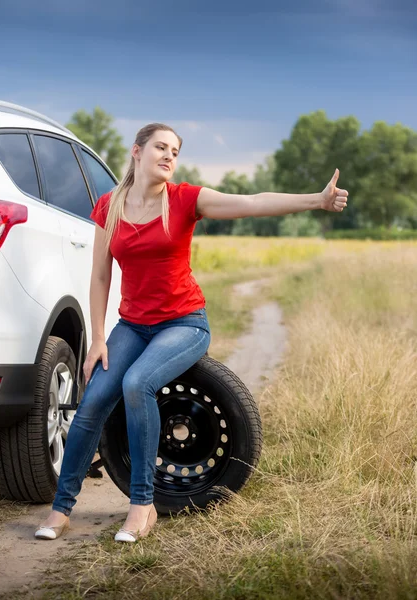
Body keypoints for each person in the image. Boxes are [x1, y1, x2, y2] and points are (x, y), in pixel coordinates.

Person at [34, 122, 348, 543]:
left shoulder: (185, 200)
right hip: (133, 326)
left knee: (137, 383)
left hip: (184, 323)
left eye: (175, 151)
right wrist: (97, 339)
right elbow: (100, 278)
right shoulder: (110, 206)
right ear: (137, 151)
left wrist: (317, 200)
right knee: (92, 401)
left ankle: (142, 508)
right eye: (160, 147)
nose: (168, 156)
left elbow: (253, 202)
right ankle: (61, 509)